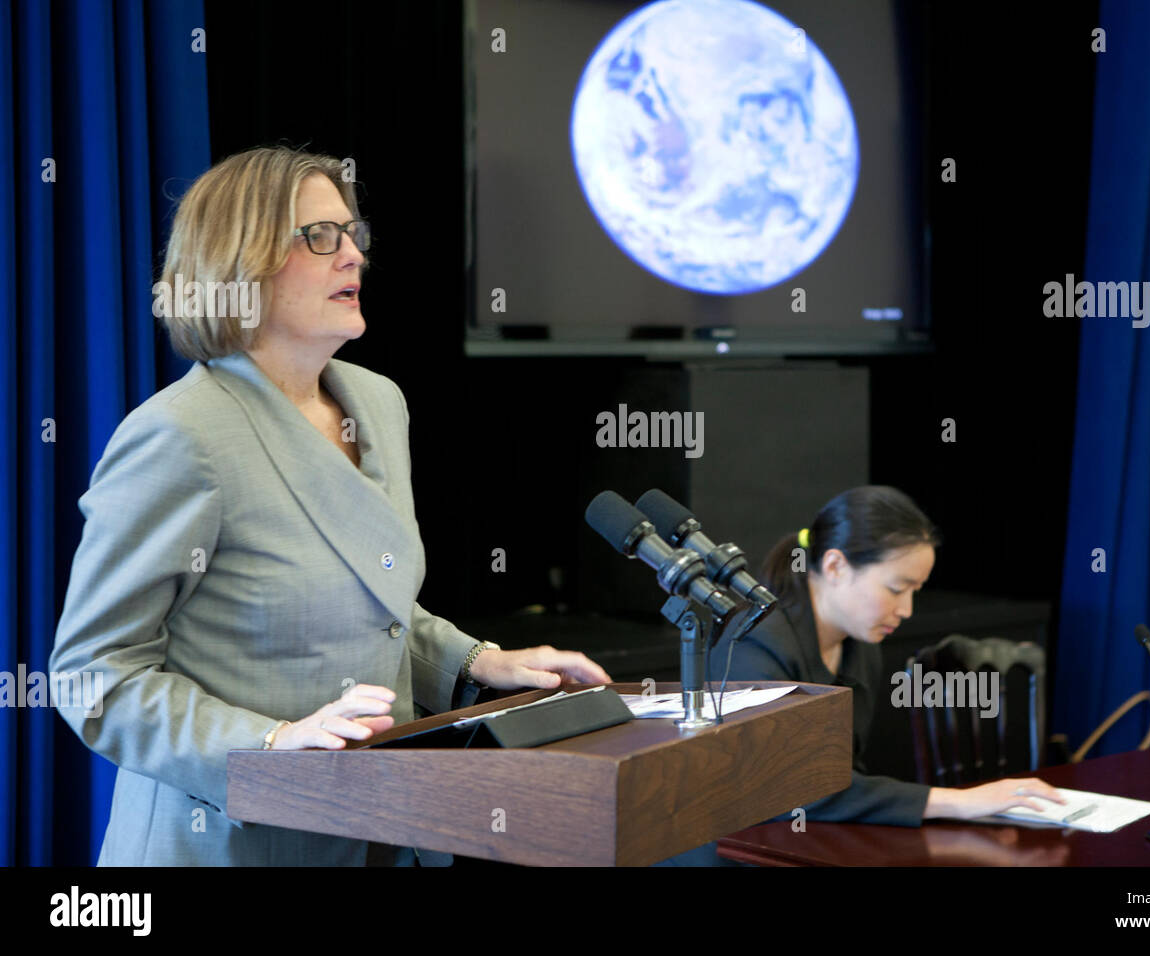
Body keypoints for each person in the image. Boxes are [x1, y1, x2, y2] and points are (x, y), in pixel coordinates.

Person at [48, 146, 610, 866]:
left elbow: (368, 610)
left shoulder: (377, 402)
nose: (353, 256)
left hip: (377, 829)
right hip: (231, 844)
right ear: (237, 261)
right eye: (320, 237)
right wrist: (273, 745)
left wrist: (480, 662)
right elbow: (95, 676)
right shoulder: (180, 436)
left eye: (353, 234)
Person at [659, 485, 1063, 865]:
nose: (906, 610)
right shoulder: (754, 643)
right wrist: (959, 801)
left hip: (801, 843)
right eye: (896, 588)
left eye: (915, 591)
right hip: (728, 853)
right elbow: (792, 787)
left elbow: (843, 775)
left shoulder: (860, 643)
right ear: (835, 565)